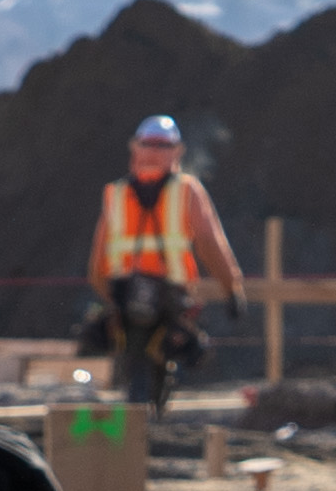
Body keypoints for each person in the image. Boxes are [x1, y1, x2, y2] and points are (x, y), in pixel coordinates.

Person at [82, 113, 247, 407]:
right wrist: (231, 288)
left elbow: (98, 258)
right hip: (171, 294)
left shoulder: (116, 193)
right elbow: (210, 243)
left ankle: (134, 414)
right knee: (185, 346)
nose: (155, 151)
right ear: (178, 151)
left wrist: (105, 294)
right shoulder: (187, 190)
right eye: (151, 145)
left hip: (123, 292)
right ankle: (148, 413)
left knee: (126, 353)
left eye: (159, 145)